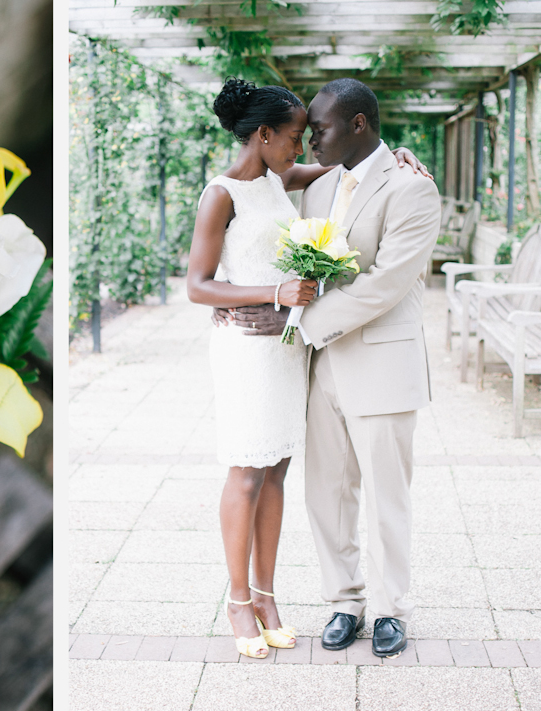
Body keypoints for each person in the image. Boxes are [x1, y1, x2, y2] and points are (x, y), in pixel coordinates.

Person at [187, 77, 428, 659]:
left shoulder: (290, 180)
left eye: (313, 133)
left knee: (292, 478)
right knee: (270, 479)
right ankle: (252, 600)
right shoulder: (226, 192)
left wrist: (398, 156)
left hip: (299, 351)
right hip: (254, 349)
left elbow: (361, 199)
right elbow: (197, 285)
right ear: (264, 134)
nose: (307, 145)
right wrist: (276, 293)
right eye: (299, 135)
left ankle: (292, 599)